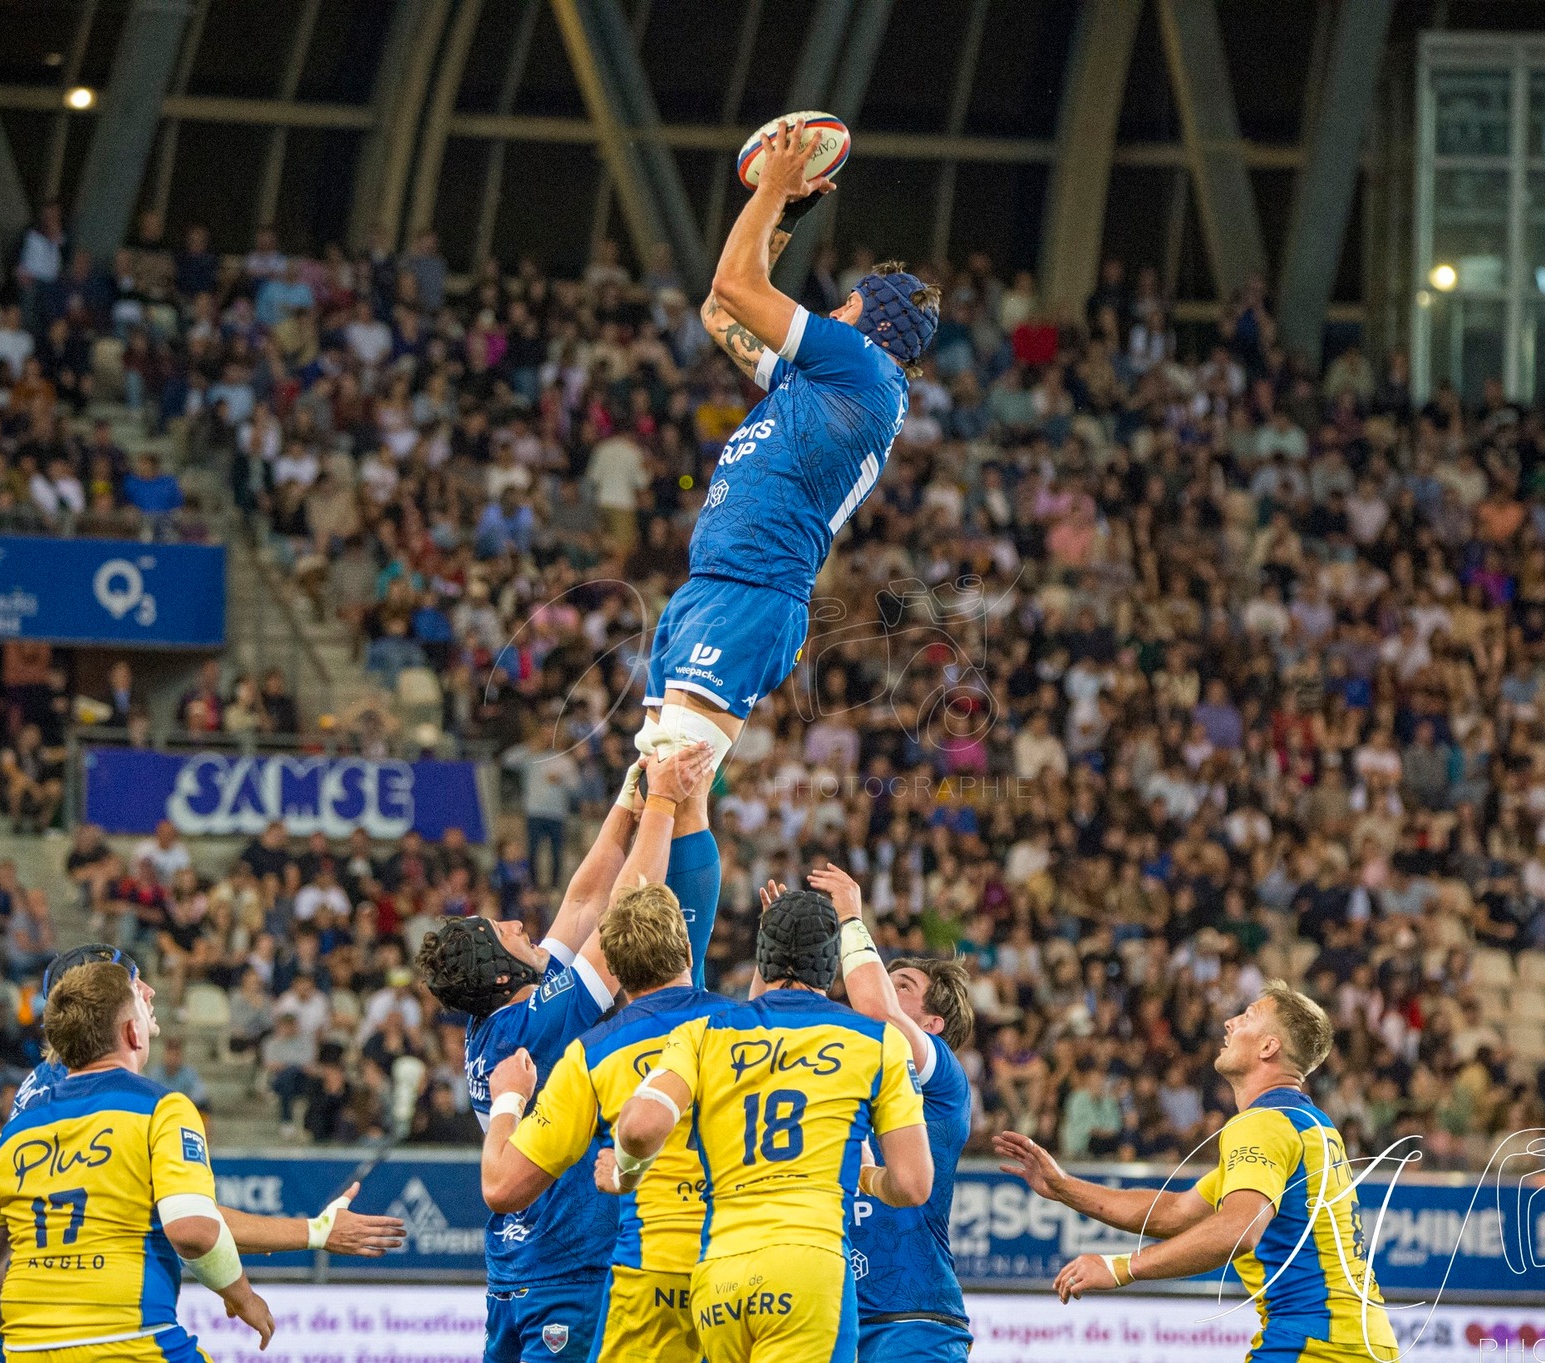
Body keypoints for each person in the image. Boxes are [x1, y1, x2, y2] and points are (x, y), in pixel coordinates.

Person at [632, 119, 940, 982]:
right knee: (660, 790)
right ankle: (669, 979)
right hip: (715, 586)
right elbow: (720, 310)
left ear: (863, 320)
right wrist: (787, 211)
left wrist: (775, 184)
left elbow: (736, 282)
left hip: (750, 589)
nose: (829, 306)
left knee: (671, 783)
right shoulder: (828, 379)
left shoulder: (858, 367)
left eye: (841, 301)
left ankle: (664, 986)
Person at [0, 944, 406, 1363]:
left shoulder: (33, 1111)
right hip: (68, 1336)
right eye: (132, 982)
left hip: (15, 1337)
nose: (148, 990)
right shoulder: (150, 1106)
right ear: (107, 1011)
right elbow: (190, 1225)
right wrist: (293, 1247)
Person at [416, 744, 710, 1363]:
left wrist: (625, 806)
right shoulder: (538, 1022)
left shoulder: (497, 1020)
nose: (520, 925)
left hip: (515, 1269)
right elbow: (623, 912)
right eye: (505, 933)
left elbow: (582, 899)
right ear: (500, 973)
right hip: (569, 1265)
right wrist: (661, 801)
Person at [995, 984, 1398, 1363]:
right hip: (1362, 1339)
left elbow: (1238, 1229)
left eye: (1248, 1016)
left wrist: (1121, 1268)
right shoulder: (1312, 1124)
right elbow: (1174, 1212)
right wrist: (1065, 1188)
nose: (1230, 1022)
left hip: (1314, 1342)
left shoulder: (1263, 1123)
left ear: (1269, 1046)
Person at [611, 888, 934, 1363]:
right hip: (810, 1272)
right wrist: (867, 1177)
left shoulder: (703, 1034)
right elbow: (912, 1184)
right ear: (832, 964)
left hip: (720, 1279)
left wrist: (627, 1173)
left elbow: (639, 1128)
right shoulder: (878, 1043)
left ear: (763, 957)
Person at [0, 956, 277, 1358]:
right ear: (131, 1030)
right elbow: (192, 1228)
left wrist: (27, 1337)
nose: (150, 994)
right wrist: (244, 1294)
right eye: (138, 988)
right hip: (131, 1344)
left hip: (11, 1345)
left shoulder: (15, 1130)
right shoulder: (161, 1109)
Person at [481, 882, 735, 1363]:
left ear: (614, 971)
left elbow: (501, 1188)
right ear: (686, 946)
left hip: (654, 1276)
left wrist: (507, 1102)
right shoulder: (754, 1028)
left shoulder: (591, 1055)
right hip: (752, 1269)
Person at [800, 865, 975, 1363]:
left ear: (932, 1023)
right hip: (831, 1314)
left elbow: (878, 1011)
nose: (878, 986)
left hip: (912, 1317)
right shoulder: (841, 1066)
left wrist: (853, 917)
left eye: (902, 984)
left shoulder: (944, 1075)